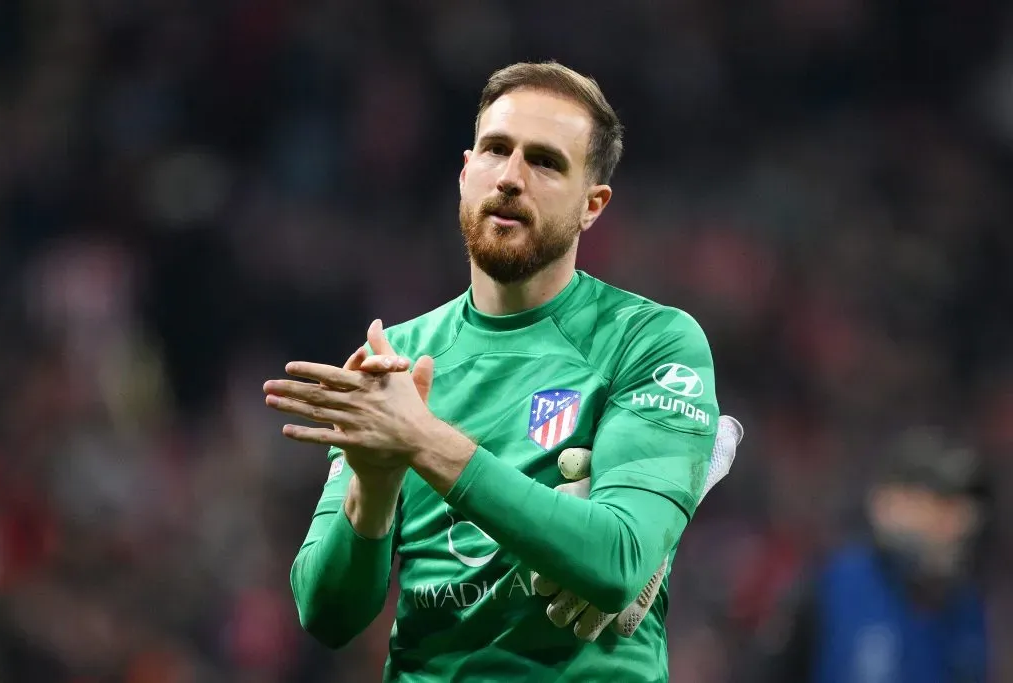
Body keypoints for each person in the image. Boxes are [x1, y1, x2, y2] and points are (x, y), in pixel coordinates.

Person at [263, 61, 739, 682]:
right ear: (465, 172)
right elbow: (327, 615)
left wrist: (422, 440)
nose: (511, 177)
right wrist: (373, 486)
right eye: (495, 150)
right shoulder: (397, 355)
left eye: (545, 162)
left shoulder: (649, 340)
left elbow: (618, 560)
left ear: (592, 205)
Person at [747, 427, 990, 683]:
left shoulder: (968, 608)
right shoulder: (830, 589)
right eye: (940, 502)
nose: (959, 522)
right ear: (886, 504)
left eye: (965, 506)